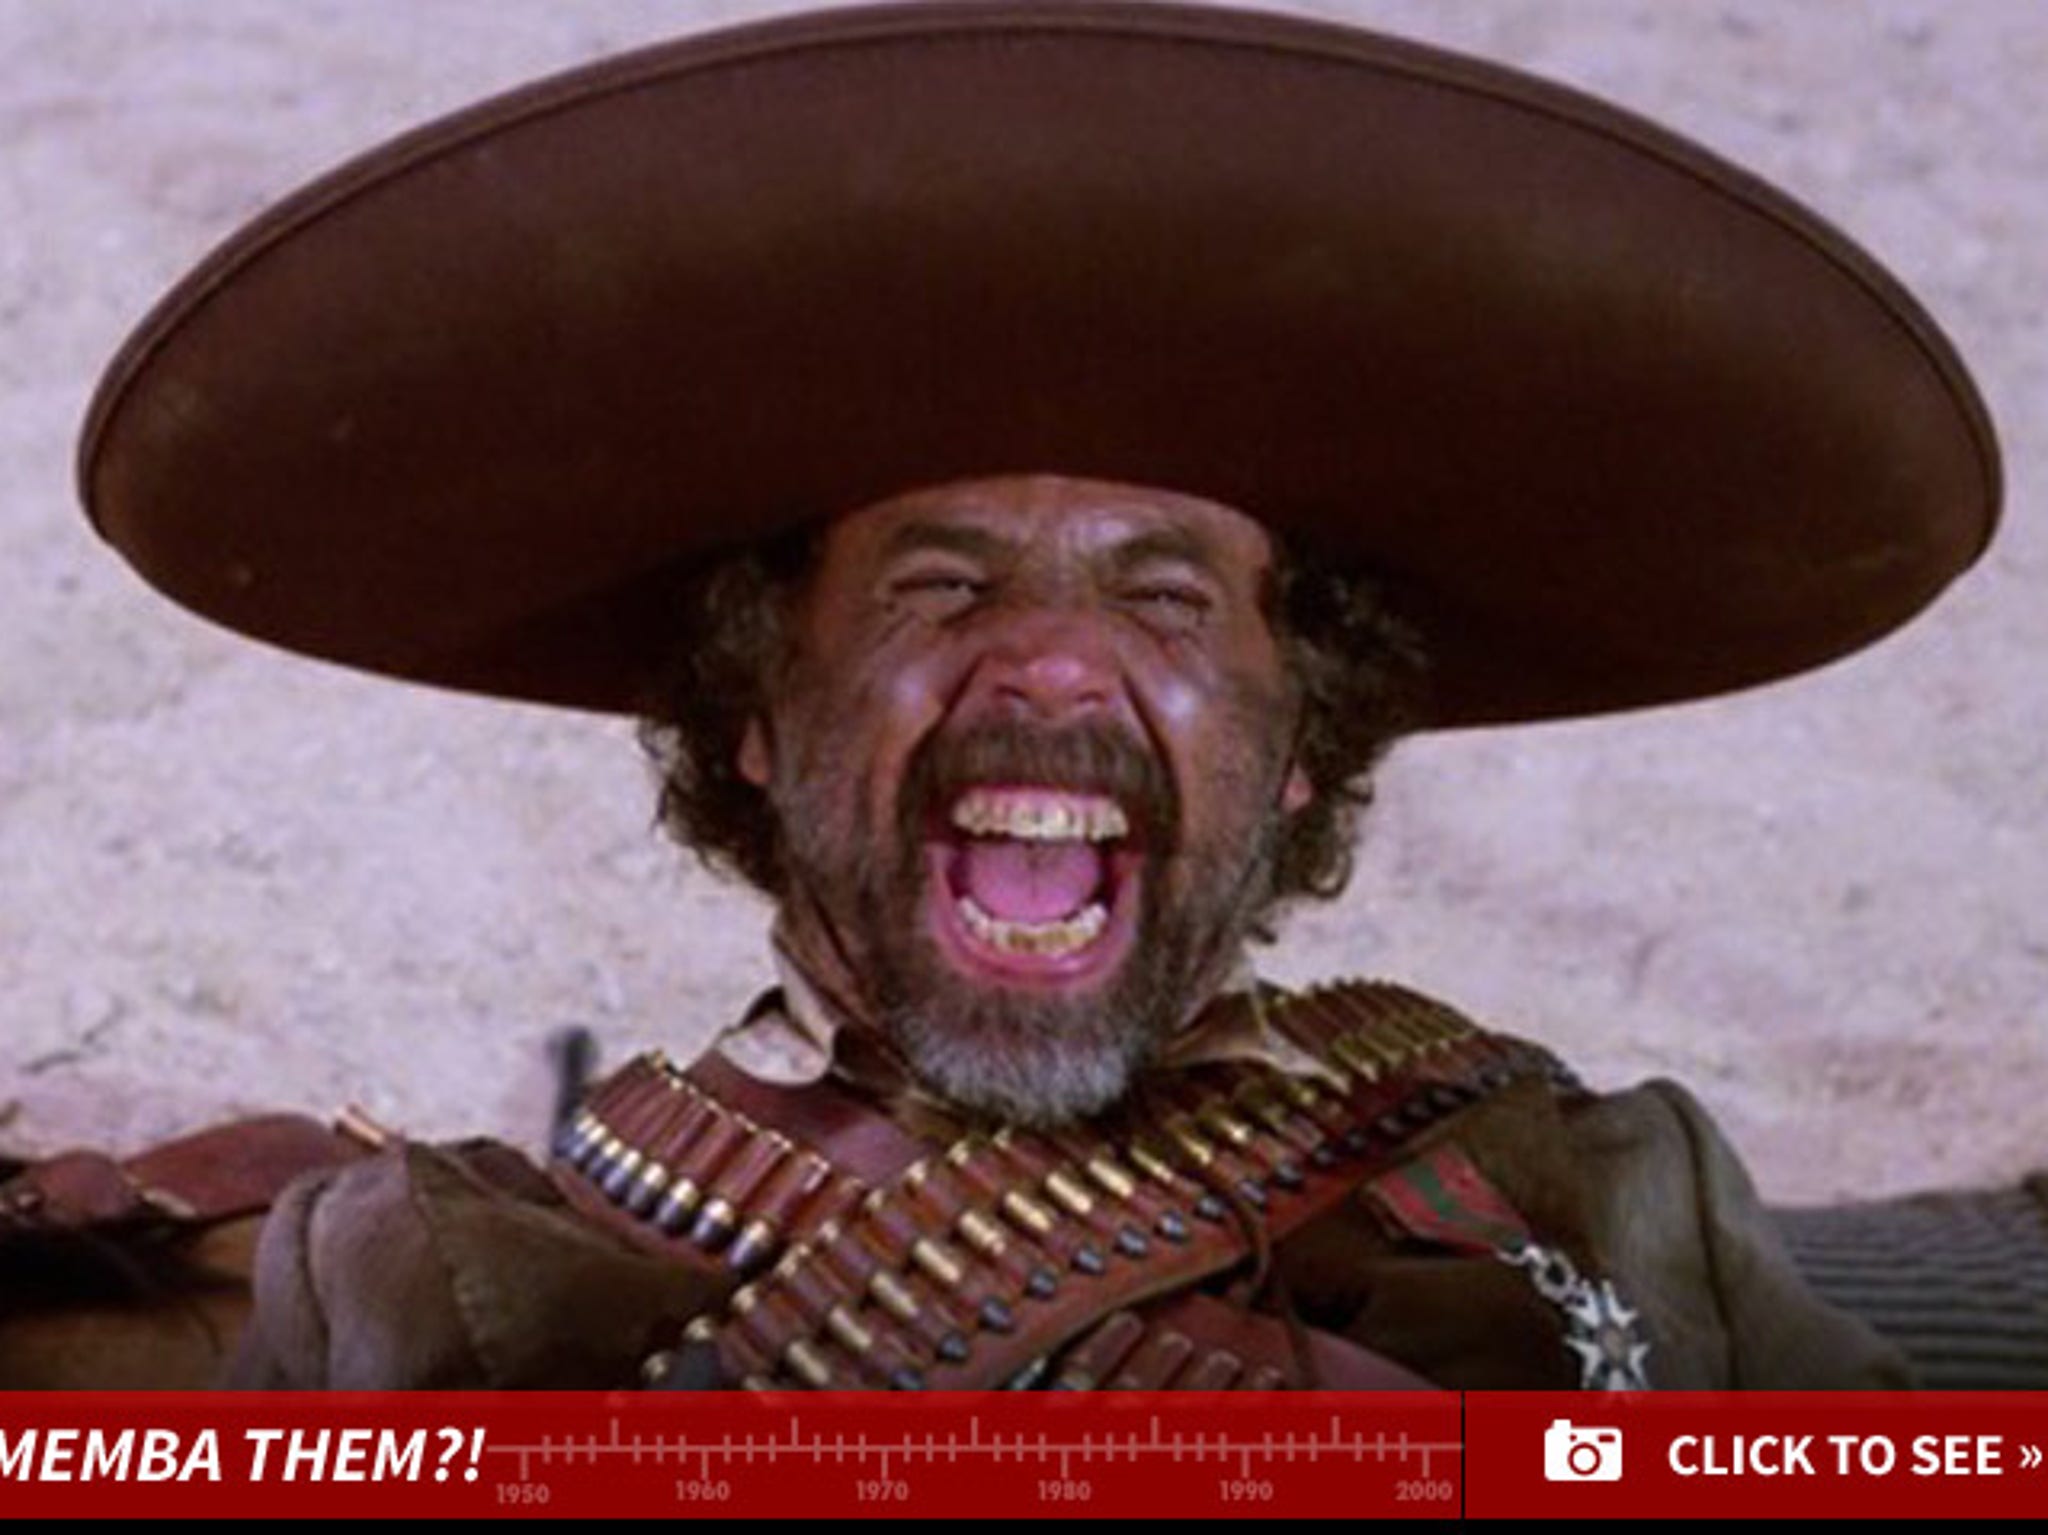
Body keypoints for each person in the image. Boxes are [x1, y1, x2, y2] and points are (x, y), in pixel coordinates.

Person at [68, 2, 2002, 1390]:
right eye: (942, 583)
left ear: (1301, 747)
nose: (1057, 658)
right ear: (758, 720)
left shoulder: (1596, 1190)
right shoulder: (432, 1277)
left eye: (1165, 597)